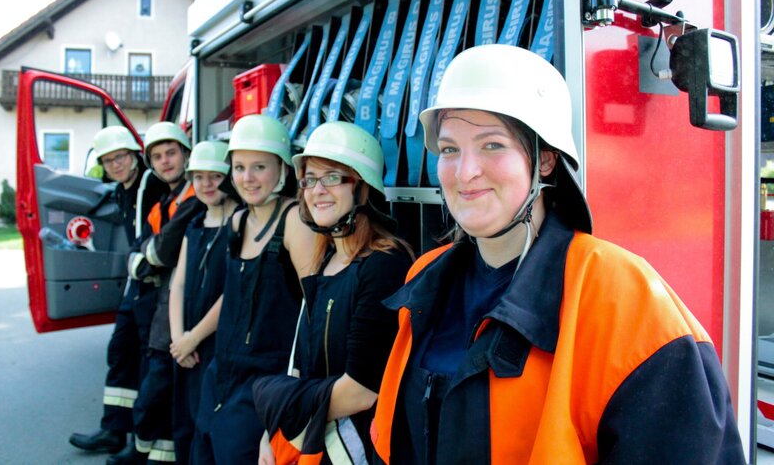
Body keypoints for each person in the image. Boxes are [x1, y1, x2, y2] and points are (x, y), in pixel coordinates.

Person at [370, 44, 746, 464]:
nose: (464, 172)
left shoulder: (621, 296)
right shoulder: (425, 279)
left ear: (545, 159)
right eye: (450, 149)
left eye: (492, 145)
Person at [253, 121, 414, 464]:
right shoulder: (324, 261)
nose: (317, 190)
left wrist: (282, 413)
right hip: (319, 444)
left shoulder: (385, 266)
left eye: (332, 177)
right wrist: (272, 432)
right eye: (310, 179)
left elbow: (361, 391)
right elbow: (302, 361)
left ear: (363, 188)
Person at [191, 114, 316, 463]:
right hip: (220, 374)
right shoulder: (236, 222)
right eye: (239, 167)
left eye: (259, 166)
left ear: (282, 169)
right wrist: (191, 337)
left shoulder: (294, 223)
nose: (248, 178)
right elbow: (232, 297)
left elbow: (315, 313)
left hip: (265, 383)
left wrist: (288, 400)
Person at [69, 126, 165, 456]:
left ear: (135, 155)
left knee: (142, 360)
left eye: (121, 157)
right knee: (121, 351)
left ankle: (137, 438)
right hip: (135, 282)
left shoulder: (150, 184)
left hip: (152, 284)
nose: (116, 165)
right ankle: (113, 430)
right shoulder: (122, 189)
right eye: (108, 161)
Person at [113, 121, 205, 465]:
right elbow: (139, 250)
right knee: (160, 387)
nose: (166, 161)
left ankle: (146, 453)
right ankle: (152, 453)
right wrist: (144, 257)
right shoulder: (164, 203)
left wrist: (145, 258)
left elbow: (161, 252)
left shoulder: (196, 197)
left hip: (182, 305)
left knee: (159, 387)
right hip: (163, 305)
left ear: (186, 154)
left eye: (171, 153)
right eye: (158, 156)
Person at [168, 140, 241, 465]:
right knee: (184, 424)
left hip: (213, 346)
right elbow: (178, 283)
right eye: (199, 177)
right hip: (186, 348)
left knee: (207, 426)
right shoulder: (194, 226)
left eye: (214, 176)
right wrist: (178, 340)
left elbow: (232, 292)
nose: (206, 184)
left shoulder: (240, 224)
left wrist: (193, 337)